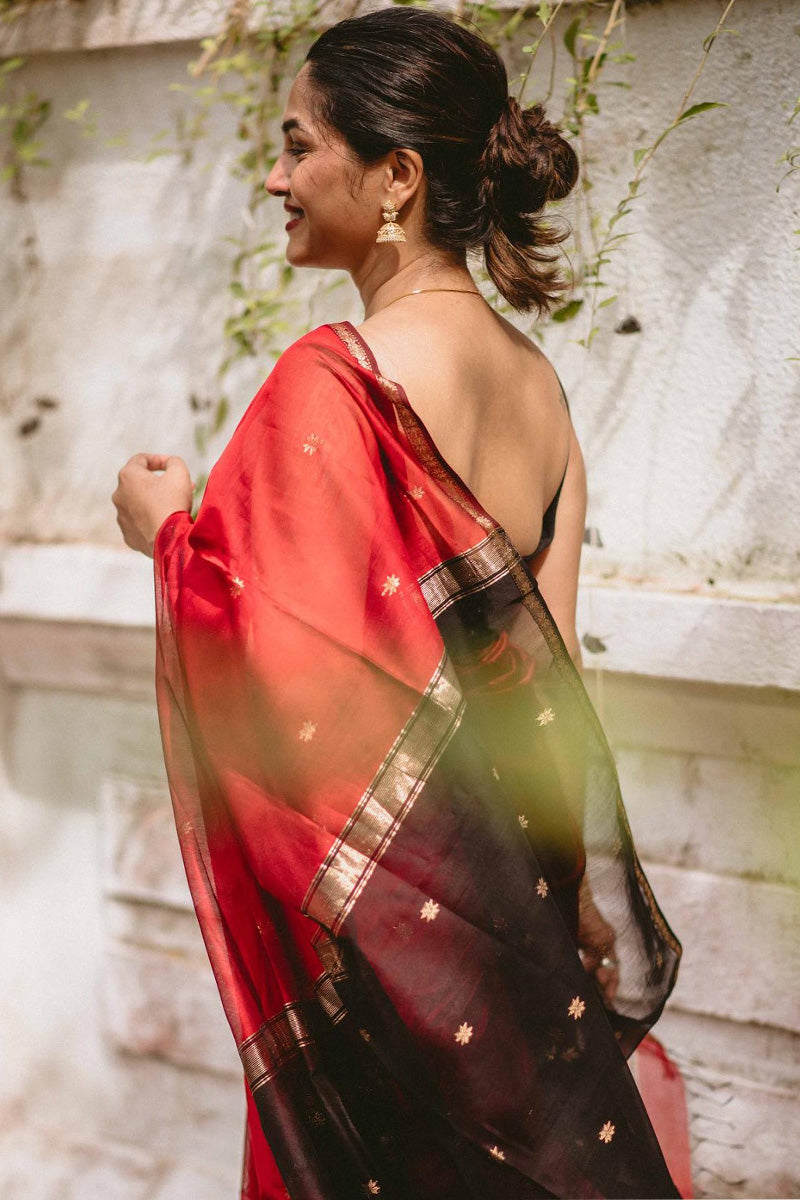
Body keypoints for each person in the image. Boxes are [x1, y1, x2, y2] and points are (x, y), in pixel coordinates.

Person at [112, 8, 682, 1198]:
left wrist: (164, 534)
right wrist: (569, 902)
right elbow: (554, 684)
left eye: (296, 144)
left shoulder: (338, 380)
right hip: (508, 923)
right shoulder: (540, 392)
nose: (274, 177)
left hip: (388, 949)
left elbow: (274, 667)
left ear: (395, 178)